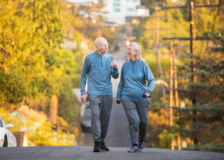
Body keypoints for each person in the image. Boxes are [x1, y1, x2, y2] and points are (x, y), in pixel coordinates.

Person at [80, 37, 119, 152]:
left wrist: (115, 68)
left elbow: (115, 76)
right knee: (95, 116)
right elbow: (83, 76)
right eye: (103, 45)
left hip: (107, 92)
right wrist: (83, 92)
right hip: (94, 92)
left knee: (105, 118)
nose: (106, 47)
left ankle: (102, 140)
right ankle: (96, 142)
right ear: (97, 47)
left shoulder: (110, 58)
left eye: (107, 45)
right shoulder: (89, 58)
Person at [116, 42, 155, 153]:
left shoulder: (143, 64)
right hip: (126, 97)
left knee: (143, 122)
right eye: (127, 49)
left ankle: (141, 141)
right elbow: (121, 82)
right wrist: (119, 96)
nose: (128, 51)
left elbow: (151, 80)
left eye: (130, 49)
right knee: (134, 120)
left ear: (136, 52)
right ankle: (134, 144)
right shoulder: (125, 65)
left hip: (142, 97)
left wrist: (148, 91)